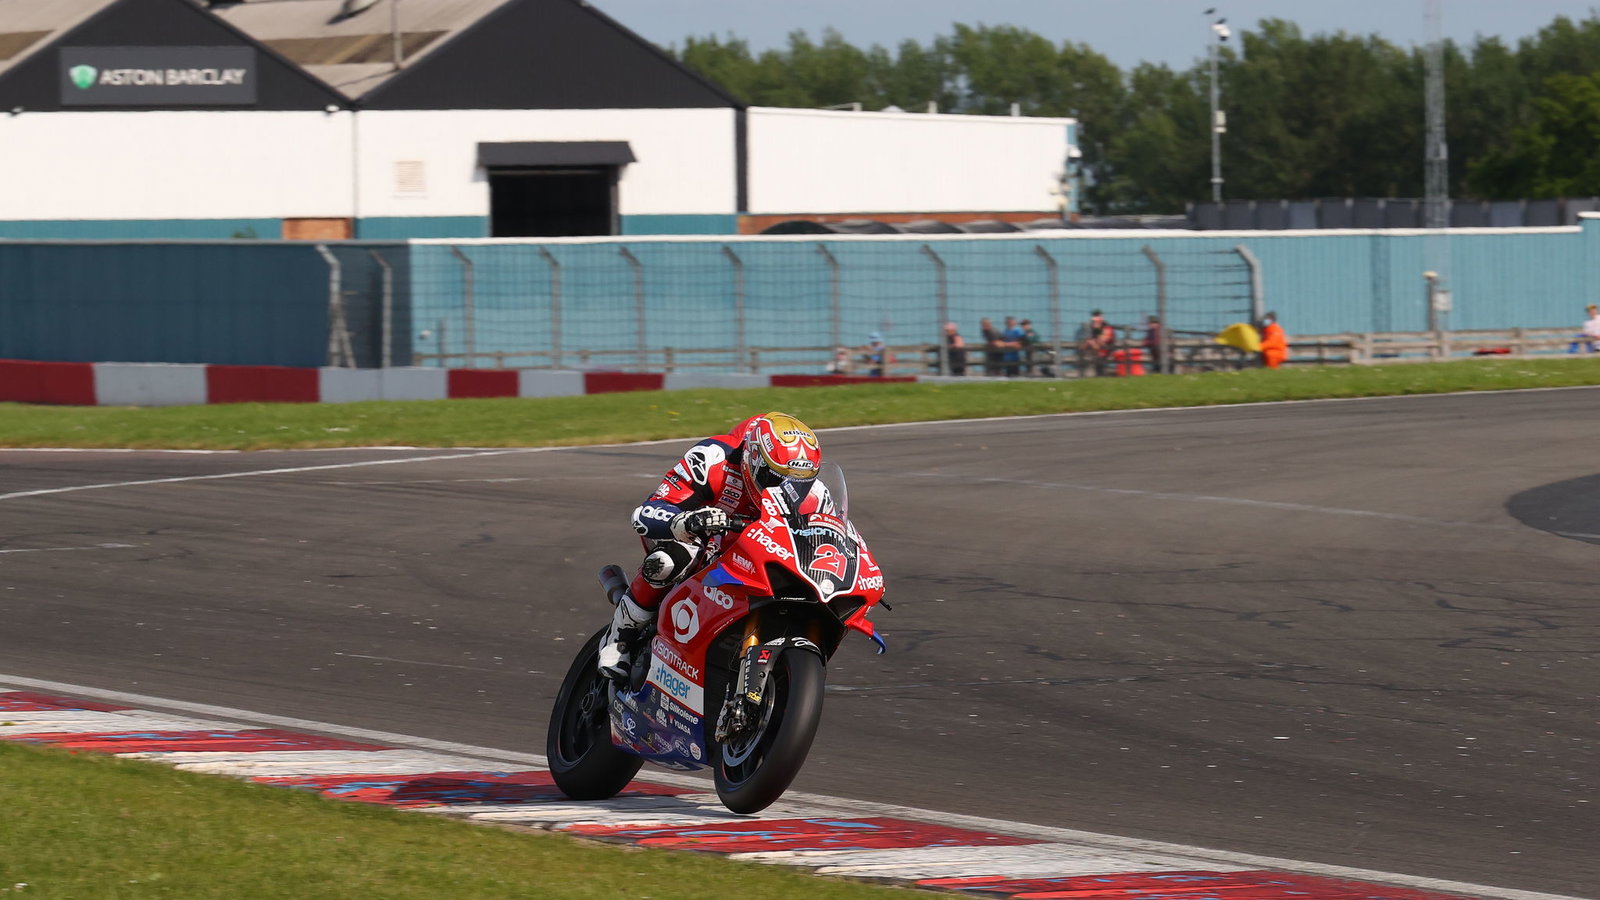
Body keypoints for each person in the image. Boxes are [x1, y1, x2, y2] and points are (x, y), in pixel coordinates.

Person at [599, 412, 824, 680]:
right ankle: (621, 633)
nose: (787, 490)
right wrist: (686, 522)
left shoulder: (815, 493)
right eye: (775, 479)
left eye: (799, 483)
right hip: (693, 536)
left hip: (752, 552)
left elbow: (830, 535)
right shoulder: (713, 458)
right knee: (669, 561)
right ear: (753, 459)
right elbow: (645, 513)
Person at [1075, 309, 1115, 377]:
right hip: (1095, 352)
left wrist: (1093, 341)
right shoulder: (1092, 329)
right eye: (1094, 317)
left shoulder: (1107, 327)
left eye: (1098, 316)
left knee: (1097, 355)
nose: (1095, 319)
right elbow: (1085, 343)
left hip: (1107, 350)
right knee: (1085, 347)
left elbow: (1104, 341)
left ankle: (1100, 374)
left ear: (1101, 318)